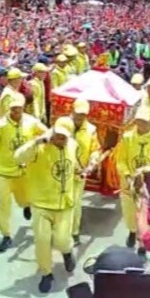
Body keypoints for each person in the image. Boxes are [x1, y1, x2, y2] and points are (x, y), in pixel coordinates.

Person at [14, 121, 79, 293]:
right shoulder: (39, 147)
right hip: (41, 204)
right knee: (42, 240)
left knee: (62, 240)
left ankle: (67, 252)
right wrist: (35, 142)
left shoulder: (72, 145)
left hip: (65, 203)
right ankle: (46, 273)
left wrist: (81, 170)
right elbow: (18, 157)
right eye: (58, 135)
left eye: (64, 137)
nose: (60, 139)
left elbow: (75, 164)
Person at [0, 95, 44, 254]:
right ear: (10, 109)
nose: (17, 112)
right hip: (5, 171)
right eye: (14, 109)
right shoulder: (0, 125)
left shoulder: (31, 122)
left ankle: (26, 206)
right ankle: (6, 235)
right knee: (3, 205)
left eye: (19, 109)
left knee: (27, 197)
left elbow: (46, 134)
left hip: (25, 170)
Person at [115, 106, 150, 249]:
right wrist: (128, 176)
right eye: (138, 121)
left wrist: (144, 172)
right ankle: (132, 231)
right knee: (129, 211)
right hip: (129, 182)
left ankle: (143, 242)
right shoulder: (127, 137)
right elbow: (121, 160)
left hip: (148, 184)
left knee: (145, 213)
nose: (140, 125)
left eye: (144, 121)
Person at [66, 100, 101, 245]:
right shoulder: (63, 125)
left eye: (83, 114)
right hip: (62, 171)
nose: (79, 117)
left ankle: (73, 233)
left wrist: (92, 162)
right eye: (77, 113)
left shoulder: (91, 130)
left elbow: (95, 149)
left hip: (80, 173)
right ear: (72, 111)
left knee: (75, 203)